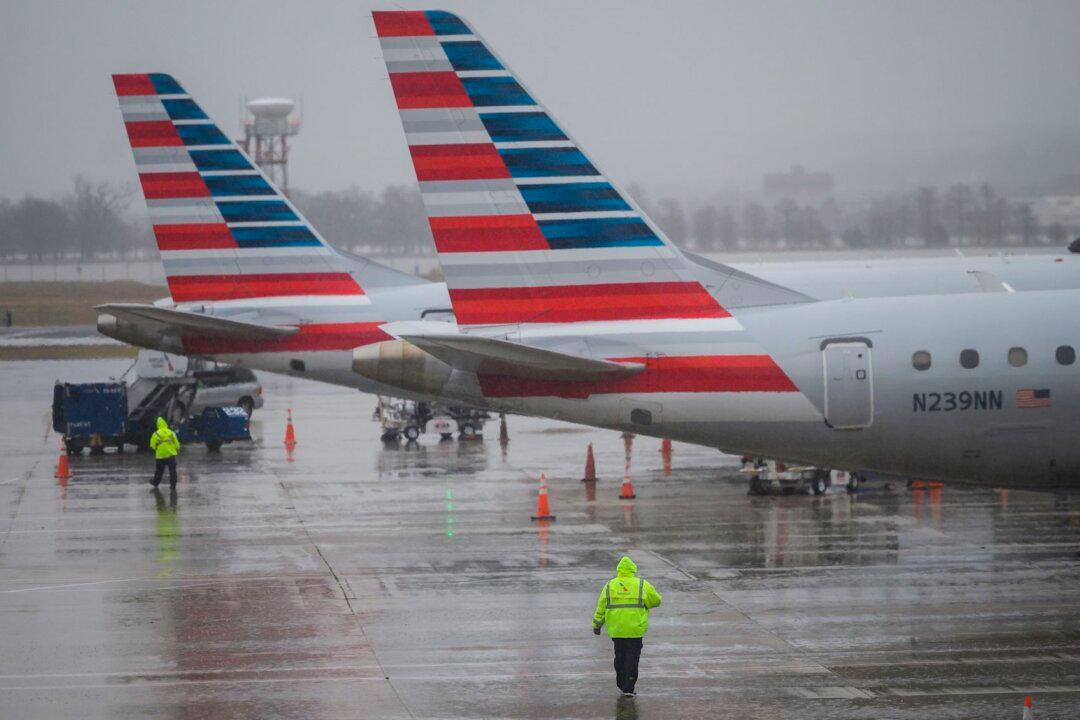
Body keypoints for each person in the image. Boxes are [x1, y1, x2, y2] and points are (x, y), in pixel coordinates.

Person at [592, 555, 662, 697]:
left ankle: (621, 681)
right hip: (635, 629)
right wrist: (645, 604)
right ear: (633, 570)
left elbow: (601, 607)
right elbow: (657, 600)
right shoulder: (642, 584)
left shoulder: (610, 585)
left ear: (619, 570)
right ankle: (629, 686)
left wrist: (597, 625)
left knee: (620, 655)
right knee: (632, 657)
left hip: (617, 629)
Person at [149, 416, 180, 488]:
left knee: (159, 471)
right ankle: (173, 485)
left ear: (158, 425)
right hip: (170, 455)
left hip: (160, 456)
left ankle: (155, 483)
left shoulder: (156, 434)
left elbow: (152, 445)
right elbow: (177, 443)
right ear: (165, 424)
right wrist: (177, 449)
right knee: (172, 471)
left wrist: (157, 449)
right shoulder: (171, 433)